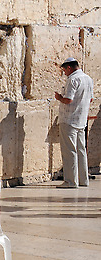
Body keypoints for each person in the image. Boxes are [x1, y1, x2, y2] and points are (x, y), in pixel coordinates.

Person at [54, 57, 94, 188]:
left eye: (64, 70)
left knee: (69, 151)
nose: (64, 72)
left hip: (69, 120)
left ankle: (70, 181)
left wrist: (59, 98)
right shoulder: (88, 79)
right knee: (81, 150)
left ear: (69, 68)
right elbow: (91, 99)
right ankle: (83, 180)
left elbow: (68, 100)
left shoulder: (72, 79)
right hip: (81, 120)